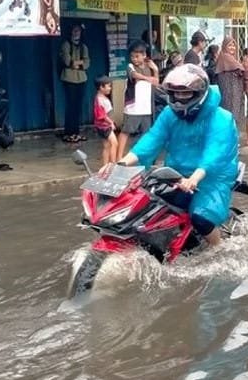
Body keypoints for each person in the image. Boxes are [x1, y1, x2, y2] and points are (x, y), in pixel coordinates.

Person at [119, 64, 239, 247]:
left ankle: (219, 248)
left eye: (186, 93)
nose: (180, 98)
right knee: (146, 205)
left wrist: (195, 178)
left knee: (201, 217)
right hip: (175, 173)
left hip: (211, 178)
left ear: (199, 93)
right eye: (176, 93)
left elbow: (214, 152)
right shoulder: (169, 113)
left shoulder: (221, 118)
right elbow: (152, 139)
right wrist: (122, 163)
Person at [118, 42, 159, 158]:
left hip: (146, 106)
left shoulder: (150, 68)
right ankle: (119, 157)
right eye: (132, 57)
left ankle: (143, 156)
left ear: (144, 55)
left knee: (146, 134)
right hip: (133, 107)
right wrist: (148, 78)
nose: (134, 59)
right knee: (126, 131)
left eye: (137, 56)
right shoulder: (130, 66)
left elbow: (156, 83)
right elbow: (134, 75)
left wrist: (155, 70)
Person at [60, 24, 90, 143]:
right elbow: (68, 62)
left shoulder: (84, 46)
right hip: (69, 79)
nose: (77, 33)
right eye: (75, 30)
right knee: (70, 106)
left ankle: (76, 132)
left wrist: (78, 63)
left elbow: (87, 63)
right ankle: (69, 132)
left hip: (81, 78)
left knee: (78, 107)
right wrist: (78, 63)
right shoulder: (66, 45)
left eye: (79, 31)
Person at [216, 36, 245, 127]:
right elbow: (241, 69)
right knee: (230, 114)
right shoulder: (226, 57)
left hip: (232, 93)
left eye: (234, 45)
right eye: (229, 45)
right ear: (225, 47)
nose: (232, 47)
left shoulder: (230, 58)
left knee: (230, 114)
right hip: (230, 93)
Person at [93, 76, 118, 166]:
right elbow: (102, 115)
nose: (110, 88)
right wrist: (111, 123)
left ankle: (105, 166)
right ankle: (113, 164)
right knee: (114, 143)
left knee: (106, 146)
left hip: (101, 126)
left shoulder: (99, 98)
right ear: (101, 87)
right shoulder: (101, 100)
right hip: (105, 126)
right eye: (108, 86)